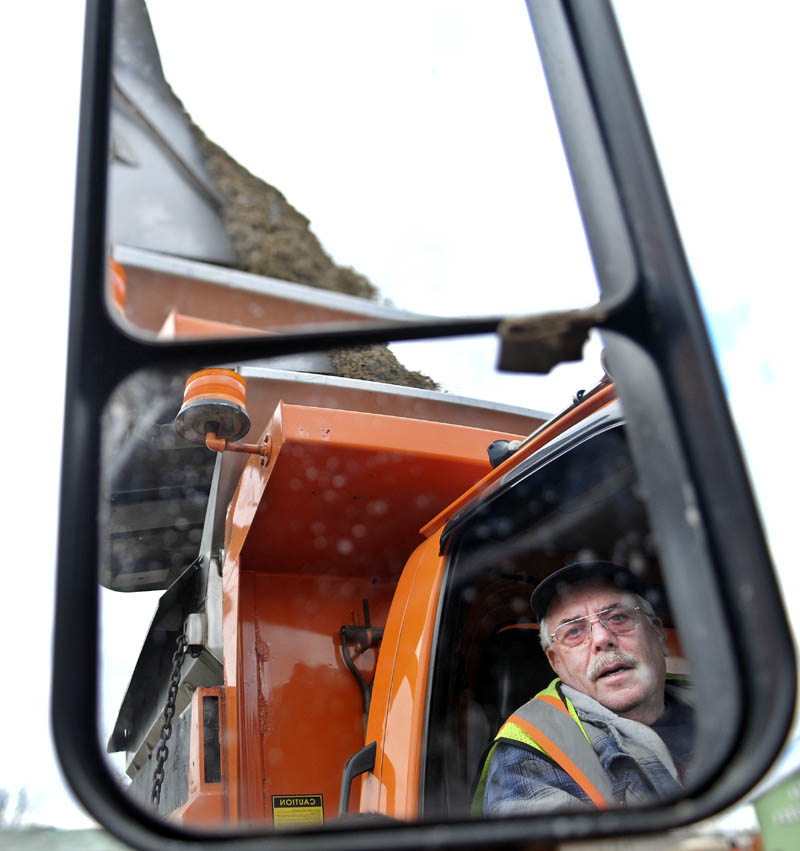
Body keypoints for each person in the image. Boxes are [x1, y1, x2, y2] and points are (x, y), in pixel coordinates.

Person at [475, 560, 693, 815]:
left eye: (618, 617)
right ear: (556, 662)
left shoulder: (716, 697)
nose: (602, 639)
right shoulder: (529, 753)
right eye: (574, 632)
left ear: (657, 633)